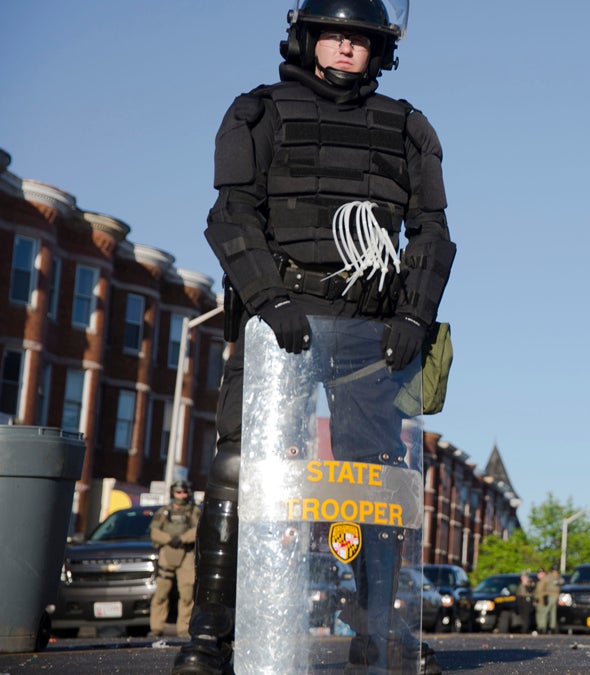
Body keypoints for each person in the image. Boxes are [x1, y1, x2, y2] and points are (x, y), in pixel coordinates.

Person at [172, 1, 454, 673]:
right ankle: (212, 630)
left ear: (379, 49)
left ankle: (379, 627)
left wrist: (414, 315)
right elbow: (230, 213)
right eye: (334, 34)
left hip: (372, 329)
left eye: (360, 38)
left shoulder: (408, 127)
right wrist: (268, 296)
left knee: (374, 479)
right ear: (305, 38)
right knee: (242, 464)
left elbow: (433, 232)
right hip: (282, 320)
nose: (346, 48)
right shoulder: (258, 111)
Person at [149, 480, 201, 639]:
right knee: (161, 593)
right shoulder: (164, 512)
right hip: (167, 553)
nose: (181, 496)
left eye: (184, 492)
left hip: (186, 555)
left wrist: (183, 538)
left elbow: (198, 529)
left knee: (187, 594)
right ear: (173, 493)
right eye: (178, 492)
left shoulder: (194, 511)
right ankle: (156, 628)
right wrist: (170, 538)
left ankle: (184, 629)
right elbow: (154, 532)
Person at [534, 565, 562, 634]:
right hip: (554, 596)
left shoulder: (548, 577)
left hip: (549, 596)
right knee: (552, 613)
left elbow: (541, 588)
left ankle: (542, 627)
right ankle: (552, 627)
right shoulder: (558, 577)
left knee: (545, 612)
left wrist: (541, 597)